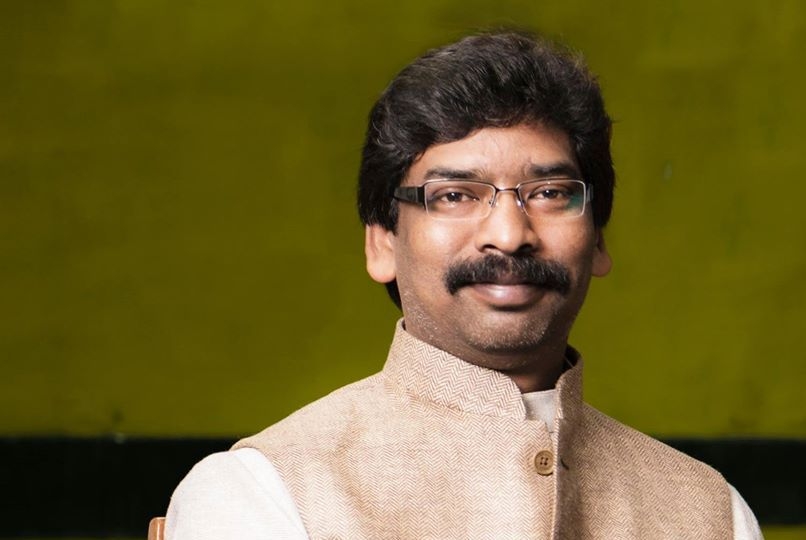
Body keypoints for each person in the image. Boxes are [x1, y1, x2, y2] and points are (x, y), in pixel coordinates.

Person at [165, 31, 763, 539]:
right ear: (382, 242)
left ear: (599, 240)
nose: (509, 235)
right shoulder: (262, 491)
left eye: (550, 193)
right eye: (454, 195)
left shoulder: (711, 512)